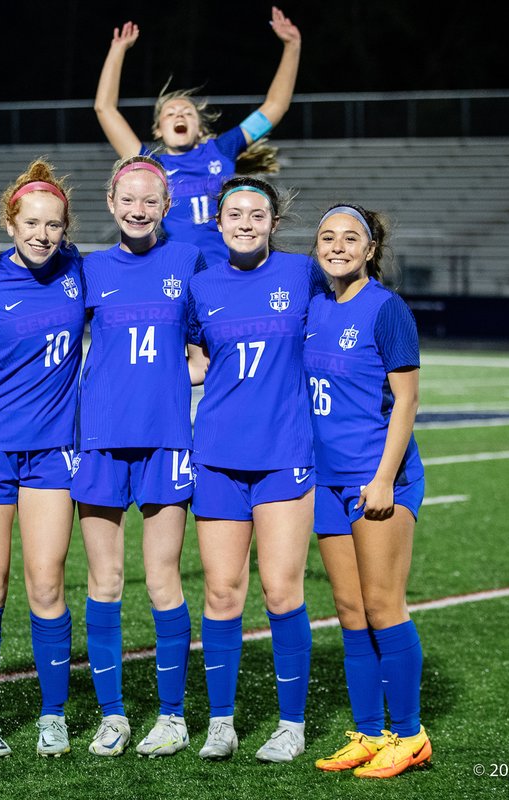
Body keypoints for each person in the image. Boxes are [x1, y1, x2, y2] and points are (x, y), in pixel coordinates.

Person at [185, 177, 326, 763]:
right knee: (221, 592)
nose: (246, 223)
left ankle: (290, 724)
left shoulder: (302, 274)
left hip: (284, 456)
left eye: (257, 214)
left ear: (273, 223)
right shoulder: (200, 285)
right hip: (217, 454)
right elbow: (195, 360)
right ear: (218, 223)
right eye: (235, 214)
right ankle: (222, 722)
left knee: (282, 591)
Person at [75, 155, 205, 758]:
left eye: (149, 200)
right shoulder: (87, 267)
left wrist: (188, 381)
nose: (137, 209)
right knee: (104, 582)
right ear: (110, 201)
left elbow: (213, 342)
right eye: (128, 198)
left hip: (166, 441)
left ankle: (173, 716)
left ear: (166, 207)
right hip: (99, 440)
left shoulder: (188, 260)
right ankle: (113, 715)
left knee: (162, 580)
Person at [0, 160, 83, 759]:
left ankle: (52, 714)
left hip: (54, 454)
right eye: (31, 223)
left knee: (46, 581)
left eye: (53, 224)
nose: (42, 234)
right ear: (10, 223)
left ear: (66, 229)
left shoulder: (80, 272)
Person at [304, 204, 431, 778]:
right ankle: (370, 731)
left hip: (379, 479)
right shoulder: (315, 306)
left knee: (383, 606)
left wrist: (383, 478)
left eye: (349, 238)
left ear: (370, 249)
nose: (337, 246)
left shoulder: (387, 308)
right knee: (351, 612)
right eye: (327, 237)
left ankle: (410, 734)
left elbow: (406, 401)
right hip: (327, 481)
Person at [94, 6, 302, 266]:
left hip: (227, 270)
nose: (179, 116)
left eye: (187, 113)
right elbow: (104, 109)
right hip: (177, 275)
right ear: (158, 129)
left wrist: (292, 46)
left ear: (201, 129)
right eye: (170, 114)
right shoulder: (151, 164)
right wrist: (118, 50)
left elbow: (275, 106)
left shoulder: (221, 150)